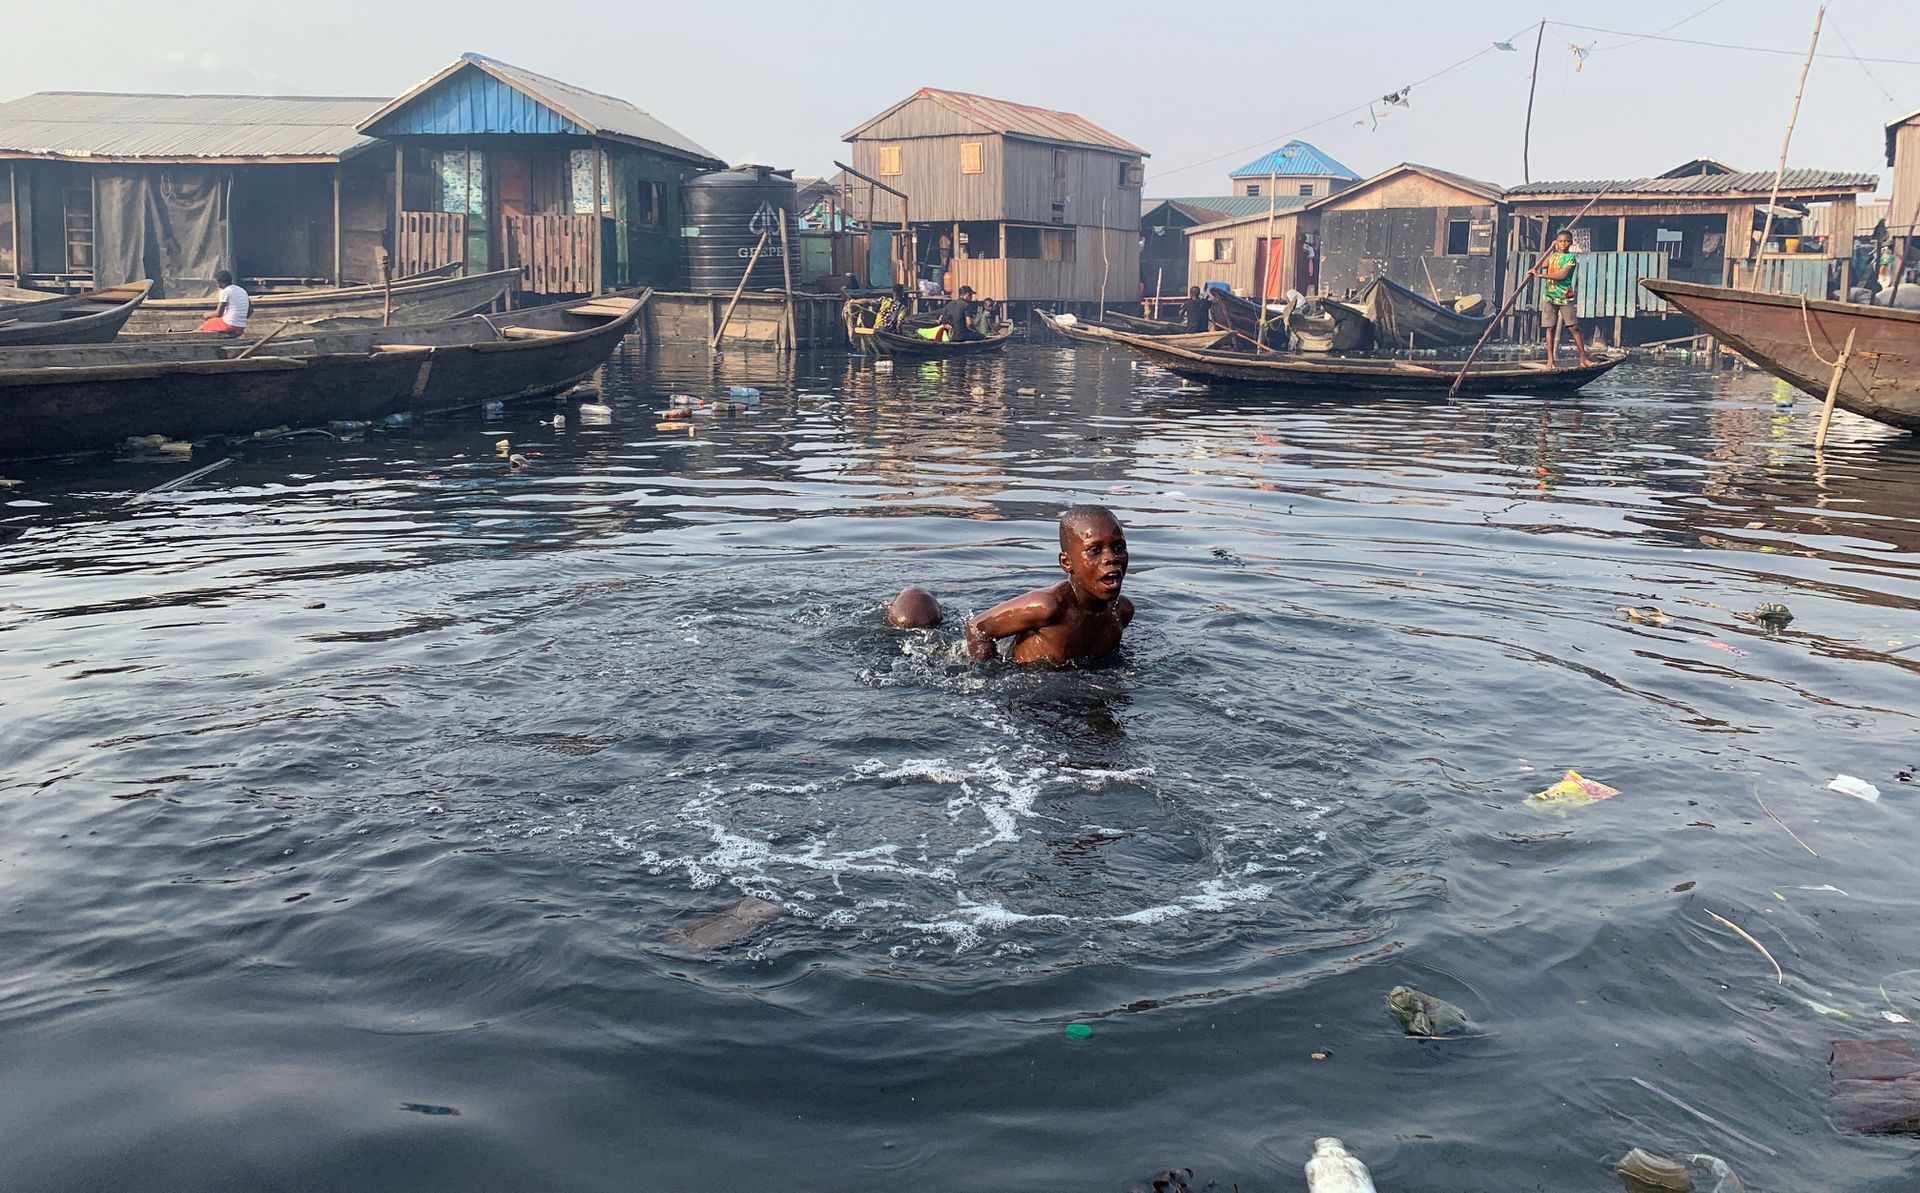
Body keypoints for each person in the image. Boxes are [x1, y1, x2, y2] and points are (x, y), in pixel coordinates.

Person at [961, 505, 1134, 665]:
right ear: (1066, 563)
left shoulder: (1122, 611)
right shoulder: (1048, 608)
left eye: (1119, 547)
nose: (1111, 558)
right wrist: (991, 676)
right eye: (1095, 550)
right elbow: (976, 629)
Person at [1532, 230, 1591, 369]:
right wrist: (1552, 247)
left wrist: (1540, 276)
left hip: (1565, 296)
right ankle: (1550, 360)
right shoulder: (1553, 256)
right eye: (1560, 241)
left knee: (1573, 327)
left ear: (1570, 243)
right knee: (1550, 328)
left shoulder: (1571, 258)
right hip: (1550, 296)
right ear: (1557, 242)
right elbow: (1543, 264)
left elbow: (1562, 276)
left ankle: (1583, 358)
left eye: (1566, 241)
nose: (1563, 244)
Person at [197, 270, 250, 336]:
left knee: (203, 327)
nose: (216, 285)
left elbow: (218, 314)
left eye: (217, 283)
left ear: (223, 284)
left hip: (229, 324)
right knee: (214, 321)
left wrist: (206, 315)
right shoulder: (242, 290)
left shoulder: (225, 291)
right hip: (241, 325)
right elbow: (250, 311)